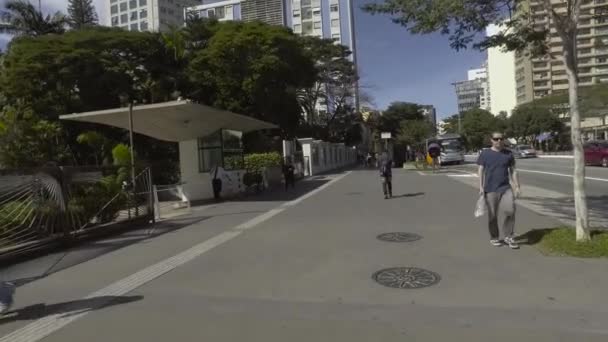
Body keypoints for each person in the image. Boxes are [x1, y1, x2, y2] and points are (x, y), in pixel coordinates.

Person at [477, 132, 521, 249]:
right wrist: (481, 186)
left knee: (510, 211)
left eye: (501, 139)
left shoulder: (508, 154)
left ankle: (508, 236)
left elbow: (513, 171)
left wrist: (517, 186)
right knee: (492, 216)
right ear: (491, 140)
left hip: (505, 188)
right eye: (496, 139)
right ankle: (494, 237)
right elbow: (481, 170)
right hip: (490, 189)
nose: (499, 141)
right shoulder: (485, 154)